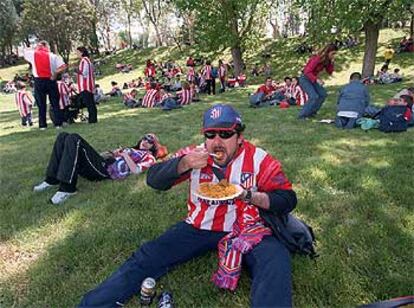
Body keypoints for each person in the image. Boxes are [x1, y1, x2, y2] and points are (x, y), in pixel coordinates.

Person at [79, 104, 296, 307]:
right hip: (199, 226)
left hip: (248, 228)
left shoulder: (258, 159)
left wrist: (250, 195)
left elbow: (287, 199)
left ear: (240, 137)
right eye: (210, 134)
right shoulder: (196, 155)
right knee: (148, 255)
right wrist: (183, 164)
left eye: (226, 134)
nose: (217, 141)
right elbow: (154, 179)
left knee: (275, 261)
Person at [33, 133, 163, 205]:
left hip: (105, 170)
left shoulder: (149, 157)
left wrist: (124, 154)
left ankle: (67, 189)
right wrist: (115, 153)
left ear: (154, 146)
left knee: (74, 139)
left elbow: (136, 170)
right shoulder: (133, 149)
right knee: (63, 136)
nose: (146, 141)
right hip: (102, 162)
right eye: (145, 137)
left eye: (150, 141)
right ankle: (52, 180)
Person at [23, 41, 67, 130]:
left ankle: (42, 125)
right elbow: (63, 66)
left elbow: (25, 52)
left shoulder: (33, 54)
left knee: (41, 104)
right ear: (47, 46)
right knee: (55, 103)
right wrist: (55, 73)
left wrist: (33, 48)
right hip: (51, 79)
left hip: (39, 81)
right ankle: (58, 123)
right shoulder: (53, 56)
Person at [298, 43, 338, 119]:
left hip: (312, 79)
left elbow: (329, 72)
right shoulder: (317, 58)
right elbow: (307, 71)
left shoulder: (327, 60)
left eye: (335, 54)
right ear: (328, 52)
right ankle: (302, 115)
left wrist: (332, 63)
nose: (334, 55)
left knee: (323, 94)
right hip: (305, 78)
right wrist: (317, 80)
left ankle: (312, 112)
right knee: (313, 96)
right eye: (333, 53)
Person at [75, 47, 97, 123]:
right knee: (90, 103)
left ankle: (92, 119)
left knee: (89, 103)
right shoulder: (87, 60)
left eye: (77, 52)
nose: (76, 54)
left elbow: (85, 73)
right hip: (88, 85)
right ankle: (93, 119)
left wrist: (77, 71)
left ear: (81, 52)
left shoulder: (84, 61)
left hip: (85, 86)